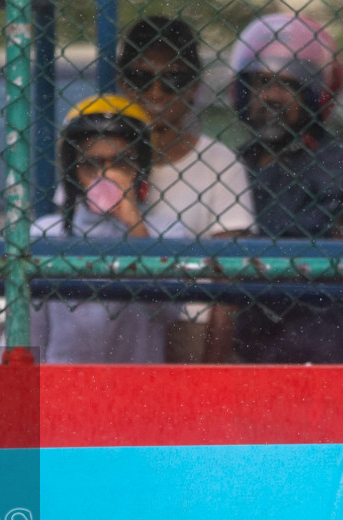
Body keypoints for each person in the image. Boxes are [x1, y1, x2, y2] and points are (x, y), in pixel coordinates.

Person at [221, 13, 343, 364]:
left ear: (317, 94)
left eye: (289, 85)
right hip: (250, 354)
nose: (271, 96)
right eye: (260, 82)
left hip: (335, 352)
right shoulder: (228, 166)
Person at [118, 16, 253, 361]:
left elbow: (230, 284)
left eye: (173, 80)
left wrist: (212, 372)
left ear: (194, 87)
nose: (156, 92)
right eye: (141, 78)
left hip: (187, 328)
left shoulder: (219, 163)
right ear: (122, 84)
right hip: (112, 318)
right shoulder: (101, 157)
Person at [34, 96, 184, 362]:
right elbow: (33, 334)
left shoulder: (165, 232)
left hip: (136, 387)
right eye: (91, 163)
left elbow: (165, 313)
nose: (105, 174)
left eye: (121, 162)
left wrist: (134, 224)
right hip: (64, 383)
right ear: (72, 169)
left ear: (141, 167)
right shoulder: (47, 233)